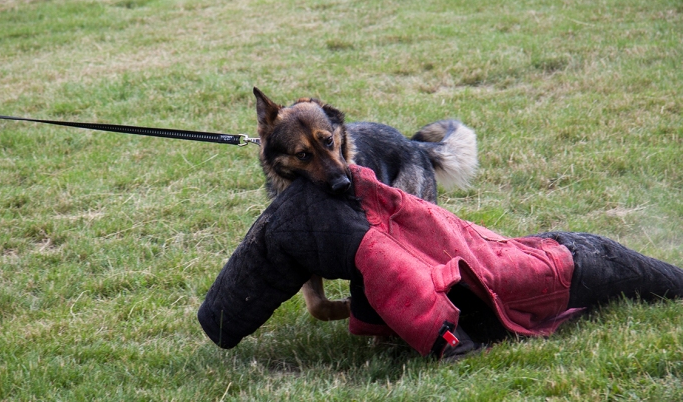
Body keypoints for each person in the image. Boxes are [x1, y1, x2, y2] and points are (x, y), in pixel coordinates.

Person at [198, 166, 683, 359]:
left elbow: (423, 312)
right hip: (539, 256)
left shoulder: (357, 237)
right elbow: (397, 301)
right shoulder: (358, 201)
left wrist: (452, 344)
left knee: (639, 272)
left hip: (565, 263)